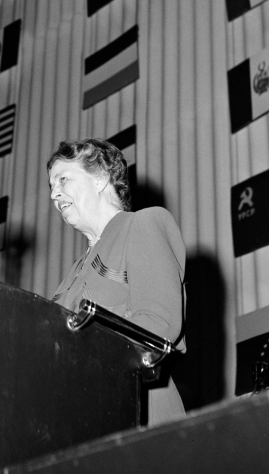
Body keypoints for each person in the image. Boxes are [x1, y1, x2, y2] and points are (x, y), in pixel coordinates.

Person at [47, 138, 187, 426]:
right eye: (51, 187)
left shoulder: (142, 225)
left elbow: (159, 326)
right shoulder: (72, 273)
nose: (53, 195)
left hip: (138, 411)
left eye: (62, 180)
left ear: (99, 178)